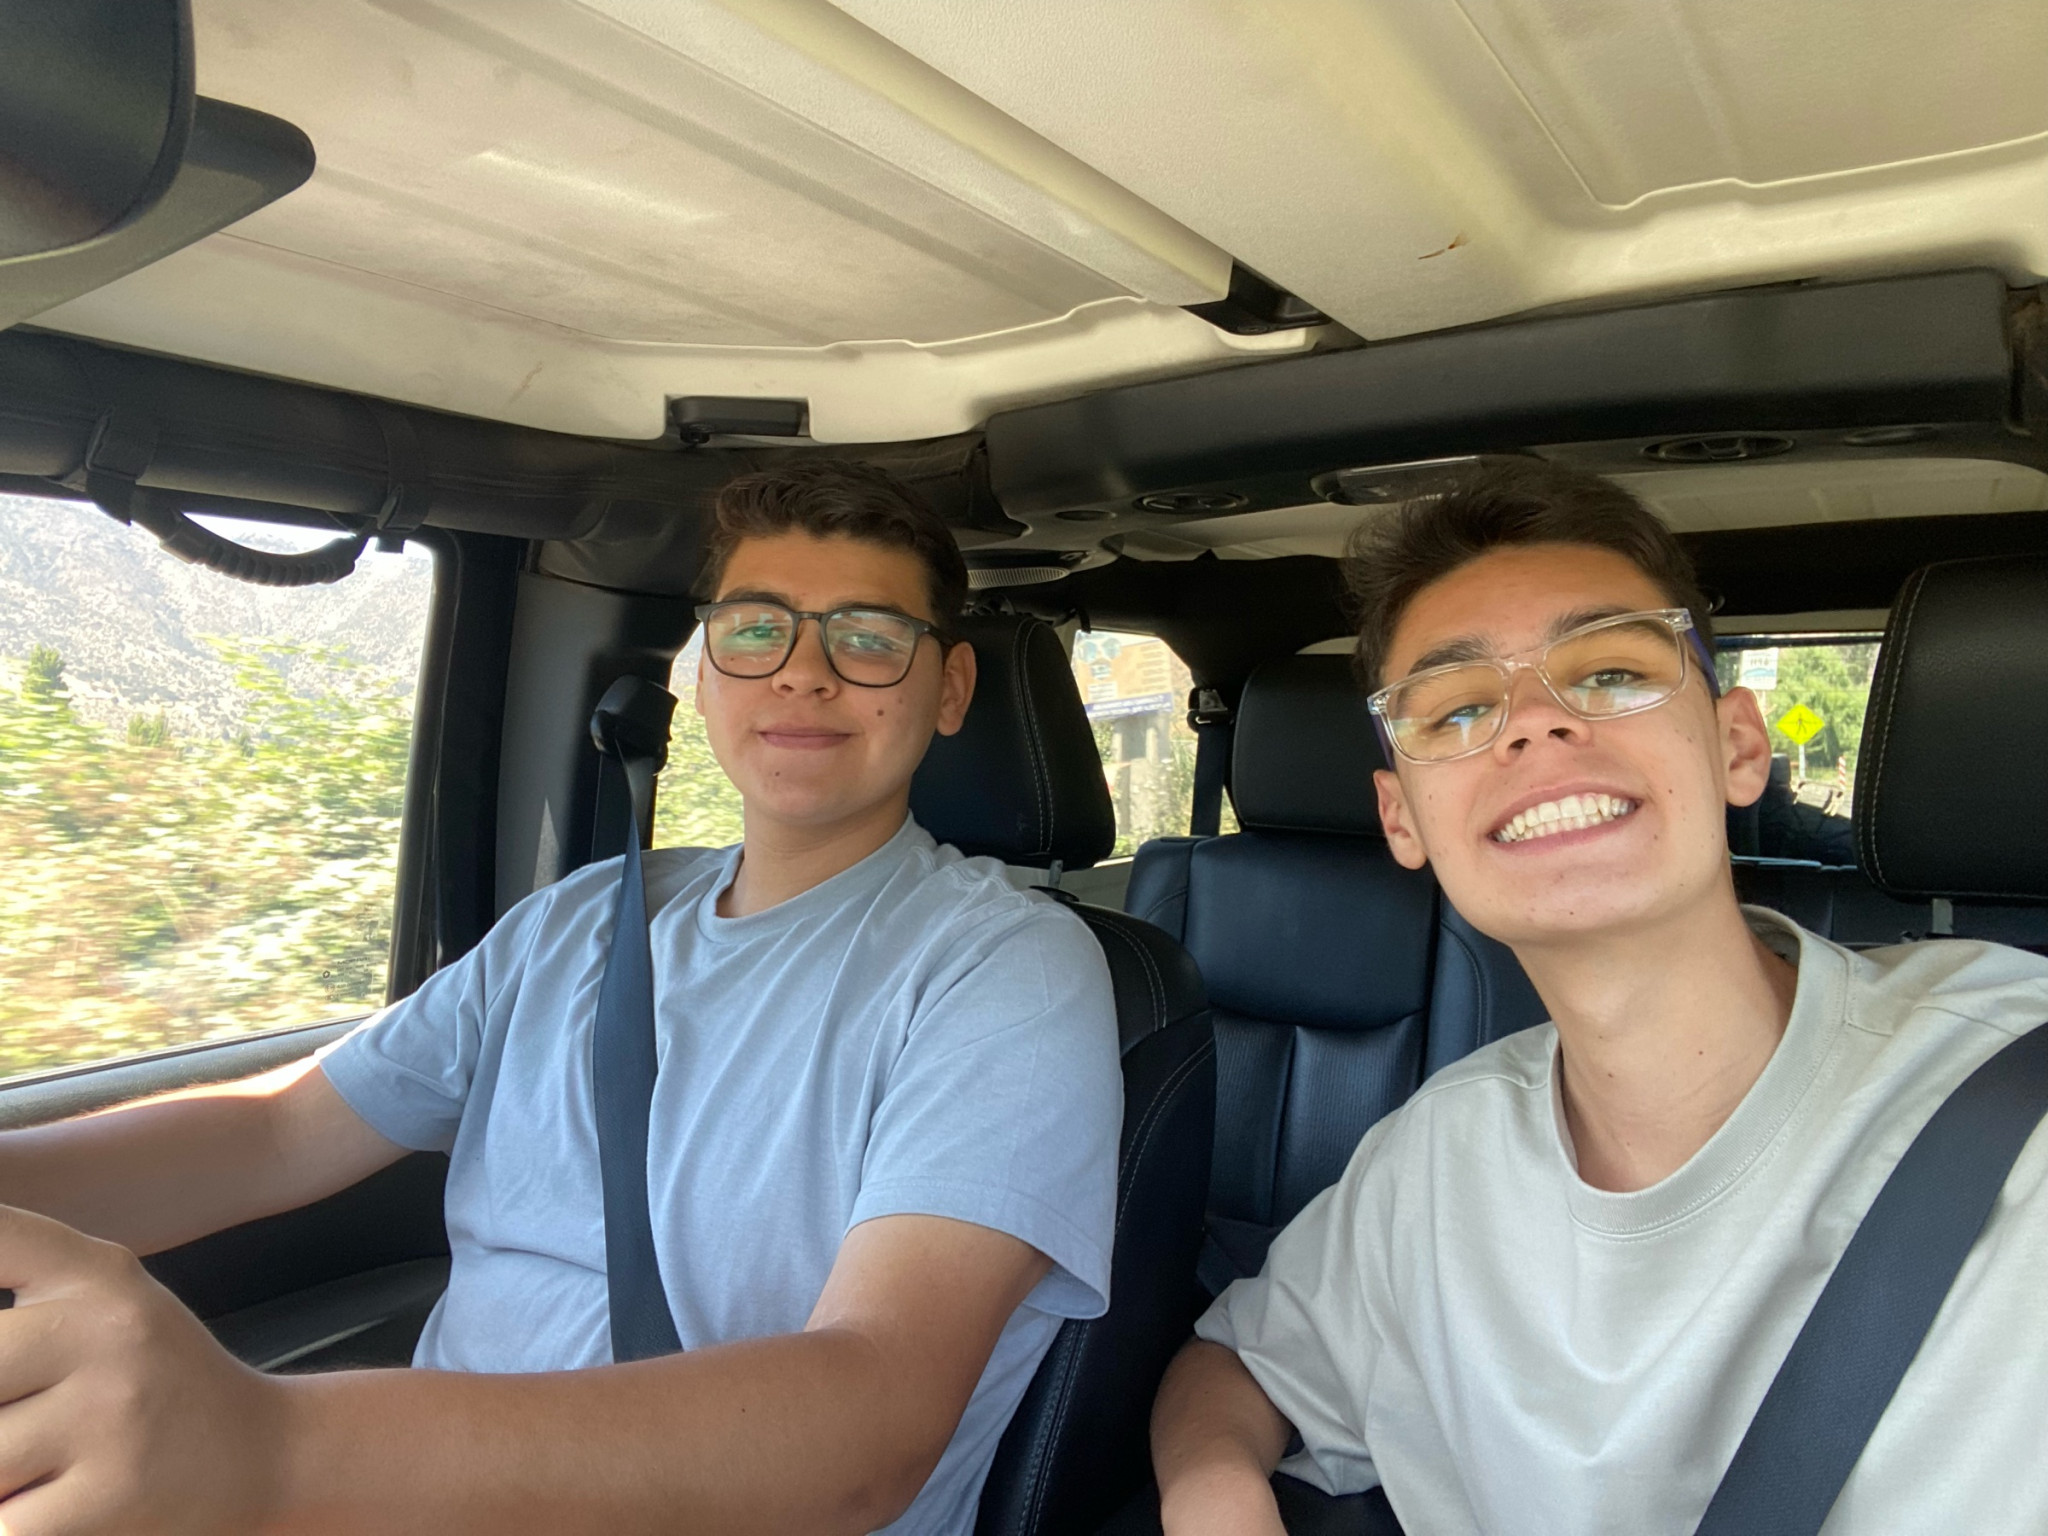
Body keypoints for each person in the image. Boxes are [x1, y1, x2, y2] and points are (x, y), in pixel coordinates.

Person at [0, 460, 1123, 1535]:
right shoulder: (578, 921)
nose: (801, 671)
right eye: (754, 629)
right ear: (701, 671)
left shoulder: (1005, 968)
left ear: (949, 689)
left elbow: (871, 1418)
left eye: (868, 637)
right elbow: (276, 1132)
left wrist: (270, 1448)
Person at [1148, 461, 2048, 1534]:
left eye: (1612, 672)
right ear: (1402, 820)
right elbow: (1238, 1365)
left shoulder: (2014, 1097)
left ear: (1738, 745)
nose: (1533, 724)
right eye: (1458, 707)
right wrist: (1213, 1491)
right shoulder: (1432, 1162)